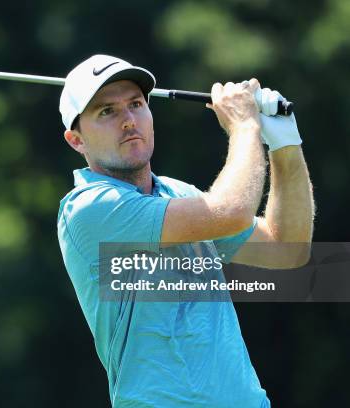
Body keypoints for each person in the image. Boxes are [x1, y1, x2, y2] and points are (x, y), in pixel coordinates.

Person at [56, 55, 314, 407]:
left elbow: (286, 249)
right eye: (107, 112)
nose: (129, 121)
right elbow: (232, 211)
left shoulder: (179, 194)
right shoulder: (89, 208)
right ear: (76, 141)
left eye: (135, 104)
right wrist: (245, 127)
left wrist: (285, 145)